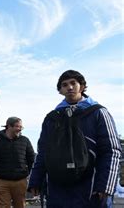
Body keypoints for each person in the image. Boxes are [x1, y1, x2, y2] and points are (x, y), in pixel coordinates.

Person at [28, 70, 121, 207]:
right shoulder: (52, 118)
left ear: (82, 87)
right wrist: (35, 180)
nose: (69, 87)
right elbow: (43, 152)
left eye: (73, 83)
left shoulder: (98, 113)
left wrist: (106, 185)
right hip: (57, 189)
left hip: (90, 186)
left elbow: (111, 150)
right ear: (60, 90)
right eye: (64, 85)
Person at [0, 117, 35, 208]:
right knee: (3, 206)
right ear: (9, 126)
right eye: (17, 126)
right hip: (2, 181)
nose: (20, 129)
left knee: (20, 205)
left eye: (21, 127)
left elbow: (31, 161)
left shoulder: (25, 140)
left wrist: (34, 180)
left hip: (21, 180)